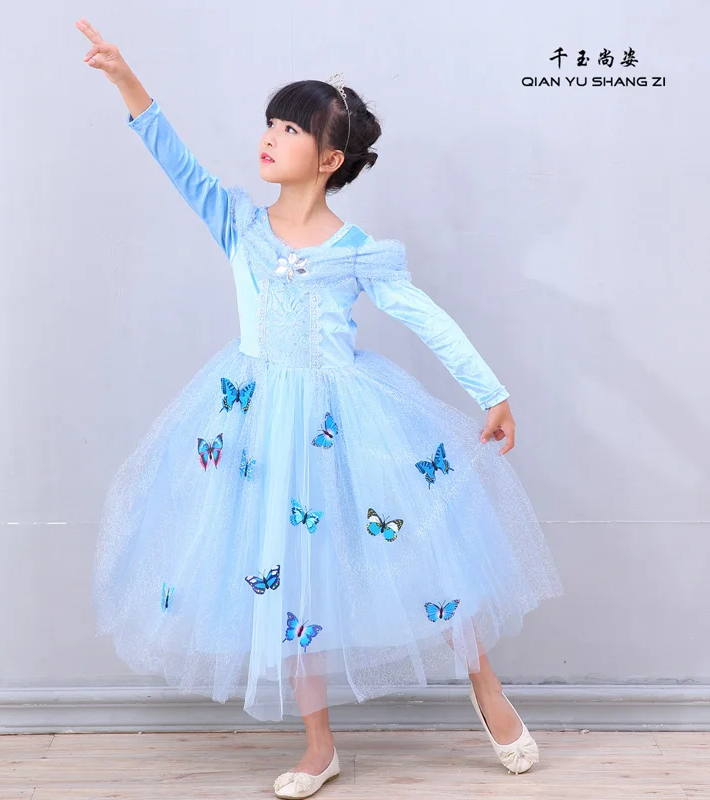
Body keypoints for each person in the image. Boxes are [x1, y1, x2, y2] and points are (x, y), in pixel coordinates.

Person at [76, 17, 564, 799]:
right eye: (270, 123)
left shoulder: (358, 251)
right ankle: (318, 744)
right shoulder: (239, 222)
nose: (270, 138)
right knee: (286, 577)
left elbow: (425, 316)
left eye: (290, 129)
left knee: (422, 547)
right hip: (256, 423)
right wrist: (125, 79)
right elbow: (173, 159)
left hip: (347, 418)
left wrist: (491, 392)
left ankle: (486, 687)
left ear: (329, 159)